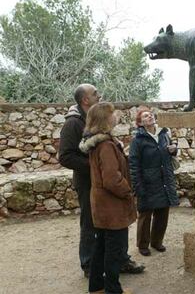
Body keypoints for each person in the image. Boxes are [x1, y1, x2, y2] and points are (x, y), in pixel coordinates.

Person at [59, 84, 143, 277]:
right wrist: (97, 168)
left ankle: (120, 260)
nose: (99, 95)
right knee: (90, 224)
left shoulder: (96, 120)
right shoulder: (73, 123)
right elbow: (65, 157)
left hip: (105, 182)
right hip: (89, 183)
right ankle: (90, 266)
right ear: (85, 100)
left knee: (115, 222)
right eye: (95, 93)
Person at [79, 102, 136, 294]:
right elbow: (111, 179)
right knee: (114, 251)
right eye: (112, 113)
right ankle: (113, 290)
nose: (116, 116)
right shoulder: (105, 145)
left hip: (102, 204)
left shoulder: (98, 142)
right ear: (105, 118)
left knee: (101, 247)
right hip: (112, 206)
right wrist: (127, 191)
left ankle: (96, 287)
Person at [129, 106, 179, 256]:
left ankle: (157, 242)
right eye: (145, 116)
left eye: (150, 114)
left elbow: (170, 153)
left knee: (163, 212)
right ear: (140, 123)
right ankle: (143, 244)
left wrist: (173, 149)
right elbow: (133, 164)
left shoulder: (163, 134)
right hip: (147, 181)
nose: (149, 116)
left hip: (164, 179)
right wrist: (138, 186)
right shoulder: (137, 140)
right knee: (145, 214)